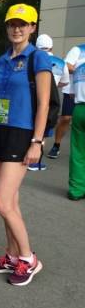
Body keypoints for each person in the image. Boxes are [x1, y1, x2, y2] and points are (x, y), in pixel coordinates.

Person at [0, 3, 50, 286]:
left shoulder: (38, 58)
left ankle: (28, 258)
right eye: (12, 24)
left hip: (22, 134)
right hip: (0, 130)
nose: (17, 29)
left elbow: (44, 104)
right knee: (10, 201)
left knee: (0, 201)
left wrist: (37, 142)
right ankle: (11, 255)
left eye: (22, 24)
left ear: (32, 27)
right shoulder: (2, 59)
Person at [28, 34, 69, 171]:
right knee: (44, 129)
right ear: (51, 47)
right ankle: (35, 161)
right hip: (50, 99)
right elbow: (65, 82)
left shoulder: (32, 58)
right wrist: (53, 86)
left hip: (31, 97)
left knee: (29, 125)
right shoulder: (61, 62)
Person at [47, 43, 84, 159]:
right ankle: (56, 145)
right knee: (66, 118)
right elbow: (67, 65)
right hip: (72, 90)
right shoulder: (78, 49)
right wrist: (81, 69)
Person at [68, 44, 85, 200]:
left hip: (80, 108)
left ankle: (76, 189)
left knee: (78, 151)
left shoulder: (79, 57)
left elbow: (72, 94)